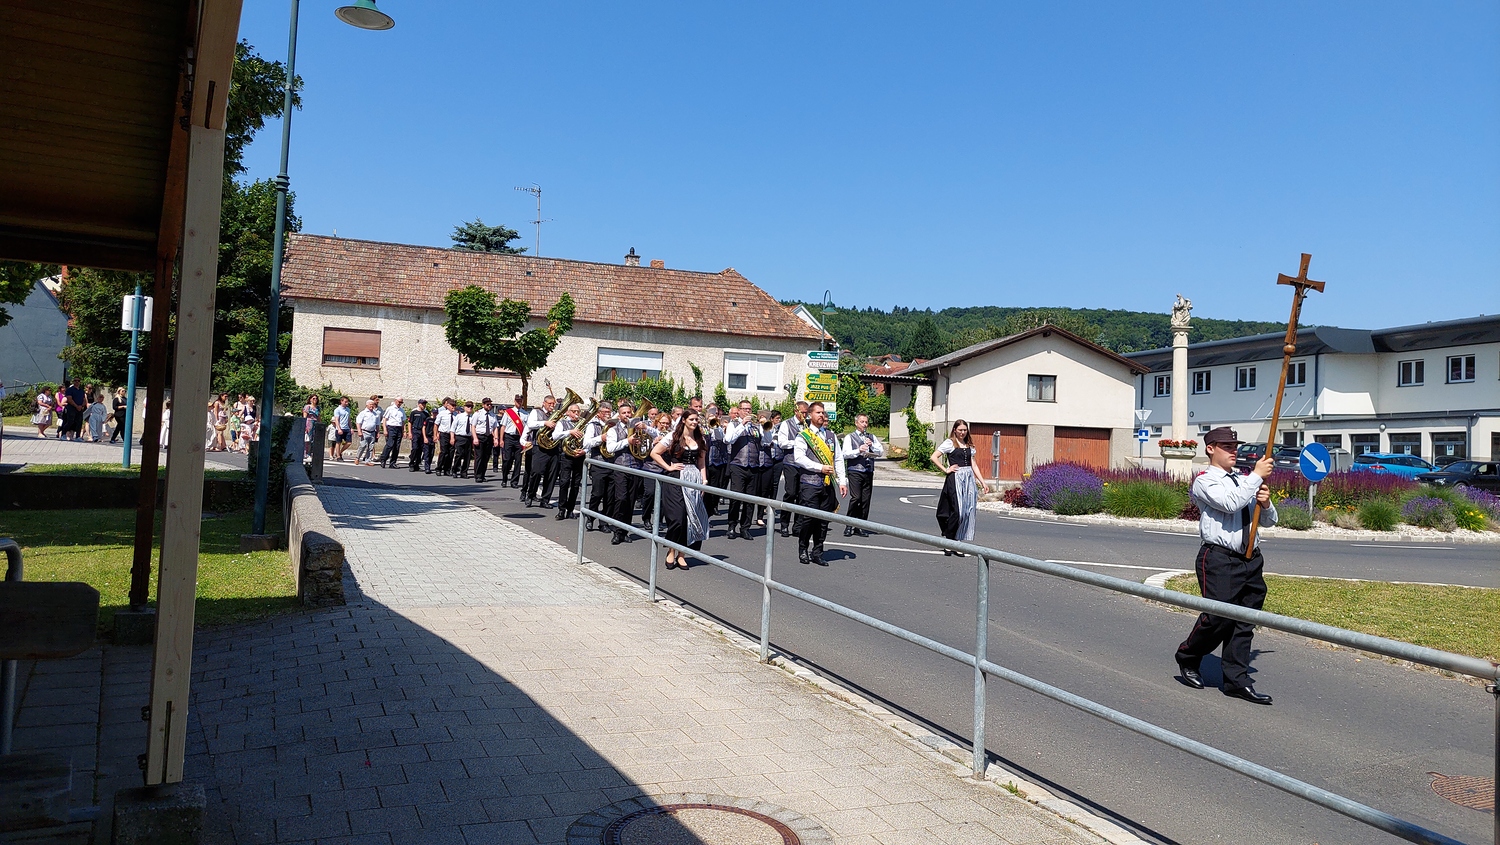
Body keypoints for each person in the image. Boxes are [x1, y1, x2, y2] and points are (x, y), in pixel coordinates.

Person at [1175, 426, 1278, 705]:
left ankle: (1236, 680)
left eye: (1235, 446)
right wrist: (1256, 476)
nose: (1234, 451)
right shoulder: (1205, 481)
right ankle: (1188, 656)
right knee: (1217, 617)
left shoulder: (1244, 480)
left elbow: (1269, 520)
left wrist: (1266, 503)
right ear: (1210, 449)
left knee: (1245, 621)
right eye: (1227, 446)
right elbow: (1230, 504)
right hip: (1220, 558)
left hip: (1250, 559)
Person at [651, 408, 709, 569]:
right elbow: (655, 453)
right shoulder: (673, 436)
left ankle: (682, 554)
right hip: (676, 478)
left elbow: (701, 462)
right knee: (677, 518)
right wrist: (669, 467)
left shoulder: (700, 439)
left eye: (696, 419)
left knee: (690, 518)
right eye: (691, 419)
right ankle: (671, 550)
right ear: (684, 420)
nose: (694, 422)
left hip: (693, 479)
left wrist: (703, 480)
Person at [790, 401, 846, 566]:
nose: (821, 415)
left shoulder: (830, 436)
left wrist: (842, 481)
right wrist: (819, 467)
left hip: (827, 485)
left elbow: (838, 459)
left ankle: (817, 553)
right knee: (808, 519)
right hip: (810, 484)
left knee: (823, 521)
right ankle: (803, 549)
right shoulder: (803, 436)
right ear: (810, 415)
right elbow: (799, 458)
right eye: (818, 412)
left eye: (823, 412)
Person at [932, 419, 989, 555]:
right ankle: (949, 541)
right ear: (955, 430)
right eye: (960, 430)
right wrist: (946, 469)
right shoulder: (950, 443)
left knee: (967, 511)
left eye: (964, 430)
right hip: (956, 479)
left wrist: (982, 482)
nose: (962, 432)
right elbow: (934, 457)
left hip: (968, 479)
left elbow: (973, 464)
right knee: (957, 511)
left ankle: (957, 541)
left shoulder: (969, 445)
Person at [604, 402, 644, 544]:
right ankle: (617, 531)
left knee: (631, 501)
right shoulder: (613, 430)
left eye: (629, 412)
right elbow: (610, 448)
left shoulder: (638, 429)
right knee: (621, 499)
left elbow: (644, 449)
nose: (627, 415)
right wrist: (628, 441)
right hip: (620, 468)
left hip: (635, 468)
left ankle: (625, 531)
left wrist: (641, 444)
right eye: (624, 413)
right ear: (619, 415)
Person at [723, 400, 764, 539]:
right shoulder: (733, 424)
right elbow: (728, 440)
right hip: (738, 465)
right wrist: (742, 425)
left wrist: (765, 428)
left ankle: (745, 527)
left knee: (750, 499)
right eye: (745, 409)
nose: (747, 411)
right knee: (736, 497)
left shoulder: (756, 426)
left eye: (749, 409)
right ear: (739, 410)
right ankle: (731, 525)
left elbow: (767, 441)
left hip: (754, 466)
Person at [841, 413, 885, 536]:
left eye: (866, 422)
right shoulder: (850, 437)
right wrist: (858, 450)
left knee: (866, 500)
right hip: (855, 470)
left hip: (868, 471)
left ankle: (860, 526)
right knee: (856, 498)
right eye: (862, 422)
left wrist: (872, 445)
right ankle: (849, 524)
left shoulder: (872, 437)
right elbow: (845, 454)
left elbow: (880, 452)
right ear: (856, 423)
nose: (864, 424)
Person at [773, 401, 809, 536]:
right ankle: (784, 524)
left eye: (806, 412)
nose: (804, 415)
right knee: (791, 493)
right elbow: (782, 443)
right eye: (802, 412)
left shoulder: (809, 424)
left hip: (804, 464)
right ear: (796, 411)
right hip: (791, 463)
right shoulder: (786, 424)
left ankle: (797, 526)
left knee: (802, 496)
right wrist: (798, 443)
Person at [580, 401, 615, 532]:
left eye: (609, 412)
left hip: (612, 464)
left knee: (609, 497)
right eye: (605, 412)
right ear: (599, 414)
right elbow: (586, 443)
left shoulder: (614, 426)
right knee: (597, 494)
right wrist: (601, 438)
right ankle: (590, 517)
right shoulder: (592, 426)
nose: (607, 414)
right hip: (598, 464)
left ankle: (604, 522)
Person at [551, 401, 586, 519]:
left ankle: (570, 509)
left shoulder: (584, 424)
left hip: (579, 456)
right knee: (564, 482)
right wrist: (570, 432)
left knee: (576, 484)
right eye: (574, 411)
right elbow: (555, 436)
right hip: (566, 456)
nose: (576, 413)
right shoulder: (562, 422)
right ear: (568, 412)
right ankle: (561, 509)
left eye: (578, 411)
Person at [756, 410, 783, 527]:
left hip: (773, 460)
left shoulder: (778, 428)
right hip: (759, 461)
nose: (779, 420)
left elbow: (770, 440)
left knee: (769, 487)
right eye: (777, 418)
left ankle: (763, 513)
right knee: (758, 489)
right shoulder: (755, 427)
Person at [500, 394, 527, 487]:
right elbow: (503, 427)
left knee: (518, 461)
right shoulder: (508, 412)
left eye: (520, 401)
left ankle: (514, 481)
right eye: (517, 401)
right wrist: (501, 439)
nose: (519, 402)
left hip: (519, 438)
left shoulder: (525, 414)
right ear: (514, 401)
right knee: (507, 459)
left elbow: (527, 428)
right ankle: (504, 479)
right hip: (509, 437)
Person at [471, 398, 497, 482]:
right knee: (479, 456)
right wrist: (475, 438)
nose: (489, 406)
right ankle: (478, 475)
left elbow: (495, 428)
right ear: (483, 405)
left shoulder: (493, 415)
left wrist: (496, 438)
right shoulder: (478, 414)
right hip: (480, 436)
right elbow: (473, 426)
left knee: (486, 457)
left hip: (488, 437)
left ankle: (482, 475)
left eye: (490, 404)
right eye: (487, 404)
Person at [378, 396, 405, 468]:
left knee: (397, 446)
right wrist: (385, 429)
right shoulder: (390, 409)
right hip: (391, 427)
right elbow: (385, 419)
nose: (400, 403)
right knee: (390, 444)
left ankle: (393, 462)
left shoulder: (401, 410)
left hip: (399, 428)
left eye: (401, 402)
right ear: (395, 401)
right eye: (399, 402)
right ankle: (383, 459)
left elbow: (403, 421)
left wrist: (404, 431)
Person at [406, 400, 431, 472]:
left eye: (425, 404)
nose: (424, 405)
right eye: (423, 404)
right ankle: (411, 463)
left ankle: (417, 464)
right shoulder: (414, 412)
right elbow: (410, 422)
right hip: (415, 431)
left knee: (420, 449)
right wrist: (410, 432)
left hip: (422, 432)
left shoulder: (426, 414)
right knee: (415, 448)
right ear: (419, 404)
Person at [355, 397, 381, 466]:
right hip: (364, 431)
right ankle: (357, 458)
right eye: (370, 404)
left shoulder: (376, 414)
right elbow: (358, 423)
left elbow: (377, 424)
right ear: (367, 405)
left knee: (371, 447)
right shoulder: (363, 413)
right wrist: (359, 431)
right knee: (363, 445)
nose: (372, 406)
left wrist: (378, 432)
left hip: (372, 432)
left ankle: (368, 460)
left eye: (373, 404)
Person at [451, 401, 473, 478]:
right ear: (464, 407)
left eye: (471, 407)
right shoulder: (459, 416)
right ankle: (455, 470)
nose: (470, 408)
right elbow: (453, 428)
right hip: (460, 437)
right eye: (468, 406)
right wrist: (452, 438)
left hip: (469, 438)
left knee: (468, 456)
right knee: (459, 454)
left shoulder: (473, 417)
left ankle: (464, 472)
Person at [435, 398, 456, 475]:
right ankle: (439, 468)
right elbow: (436, 424)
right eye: (452, 405)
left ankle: (447, 469)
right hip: (444, 434)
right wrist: (435, 434)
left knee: (451, 453)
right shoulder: (442, 414)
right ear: (448, 406)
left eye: (455, 405)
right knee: (444, 452)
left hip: (452, 435)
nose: (454, 407)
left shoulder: (456, 415)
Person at [331, 396, 352, 462]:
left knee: (349, 442)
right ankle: (338, 456)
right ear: (341, 401)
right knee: (338, 442)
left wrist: (351, 428)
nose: (347, 403)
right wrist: (339, 429)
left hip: (347, 428)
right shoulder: (337, 410)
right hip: (340, 428)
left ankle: (339, 452)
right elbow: (336, 420)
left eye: (347, 402)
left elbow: (348, 419)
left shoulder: (348, 409)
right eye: (345, 402)